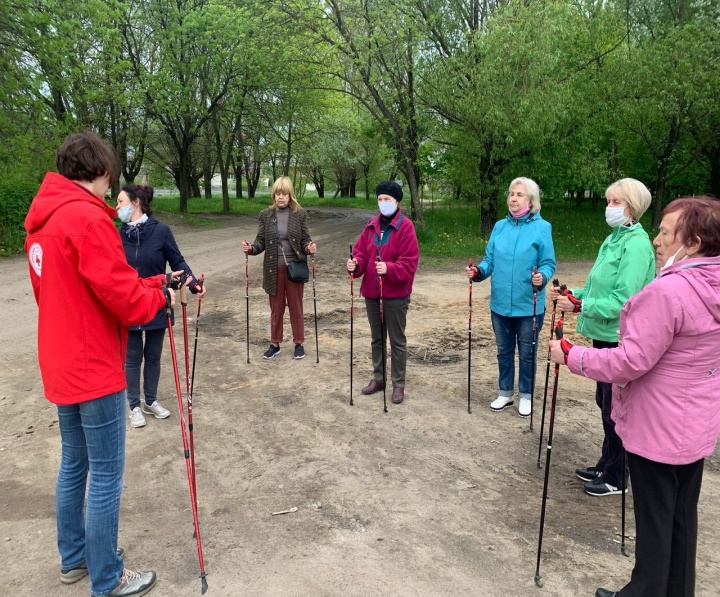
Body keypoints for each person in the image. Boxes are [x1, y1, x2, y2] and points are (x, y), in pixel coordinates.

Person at [549, 196, 720, 597]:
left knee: (656, 522)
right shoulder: (711, 284)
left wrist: (573, 355)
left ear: (692, 242)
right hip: (693, 424)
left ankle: (643, 591)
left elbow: (629, 362)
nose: (657, 240)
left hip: (659, 427)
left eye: (664, 232)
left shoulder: (670, 292)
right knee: (679, 519)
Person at [24, 131, 167, 596]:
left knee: (75, 464)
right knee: (105, 473)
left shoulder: (43, 223)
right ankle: (106, 576)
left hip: (61, 361)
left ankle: (75, 560)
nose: (113, 189)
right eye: (110, 177)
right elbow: (123, 297)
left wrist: (148, 289)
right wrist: (159, 296)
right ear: (99, 171)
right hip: (93, 364)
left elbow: (72, 292)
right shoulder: (86, 219)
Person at [550, 178, 655, 497]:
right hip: (602, 333)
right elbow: (600, 289)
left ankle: (618, 475)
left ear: (632, 207)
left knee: (615, 407)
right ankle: (607, 461)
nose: (609, 208)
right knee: (605, 402)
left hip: (620, 337)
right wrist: (573, 293)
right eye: (608, 201)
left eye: (615, 203)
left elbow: (624, 299)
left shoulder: (636, 244)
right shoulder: (614, 239)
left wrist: (580, 305)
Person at [117, 183, 206, 429]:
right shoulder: (117, 234)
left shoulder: (161, 231)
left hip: (158, 302)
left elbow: (178, 263)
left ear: (135, 202)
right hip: (130, 304)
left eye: (120, 202)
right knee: (132, 357)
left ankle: (150, 401)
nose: (117, 207)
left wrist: (193, 284)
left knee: (153, 356)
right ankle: (134, 405)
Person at [466, 177, 555, 417]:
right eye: (511, 194)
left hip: (529, 305)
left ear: (531, 201)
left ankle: (525, 395)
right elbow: (490, 260)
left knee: (527, 353)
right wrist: (479, 272)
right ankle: (505, 393)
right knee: (504, 350)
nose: (513, 198)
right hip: (500, 304)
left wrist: (542, 277)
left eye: (519, 195)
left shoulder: (542, 228)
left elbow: (548, 263)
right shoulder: (499, 227)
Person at [346, 180, 419, 404]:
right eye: (380, 199)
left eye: (387, 199)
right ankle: (379, 378)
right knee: (377, 339)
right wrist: (354, 264)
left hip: (395, 294)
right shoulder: (370, 226)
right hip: (371, 291)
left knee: (397, 340)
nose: (383, 203)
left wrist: (389, 268)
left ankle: (398, 383)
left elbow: (409, 263)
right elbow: (360, 254)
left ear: (396, 201)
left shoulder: (406, 227)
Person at [242, 176, 316, 360]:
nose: (280, 197)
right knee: (276, 309)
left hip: (294, 269)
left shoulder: (300, 214)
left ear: (290, 195)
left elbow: (305, 239)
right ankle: (275, 343)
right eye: (277, 193)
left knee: (296, 307)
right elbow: (261, 241)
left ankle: (299, 343)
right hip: (273, 270)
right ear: (274, 195)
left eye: (284, 193)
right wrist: (251, 249)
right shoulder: (265, 215)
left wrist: (309, 248)